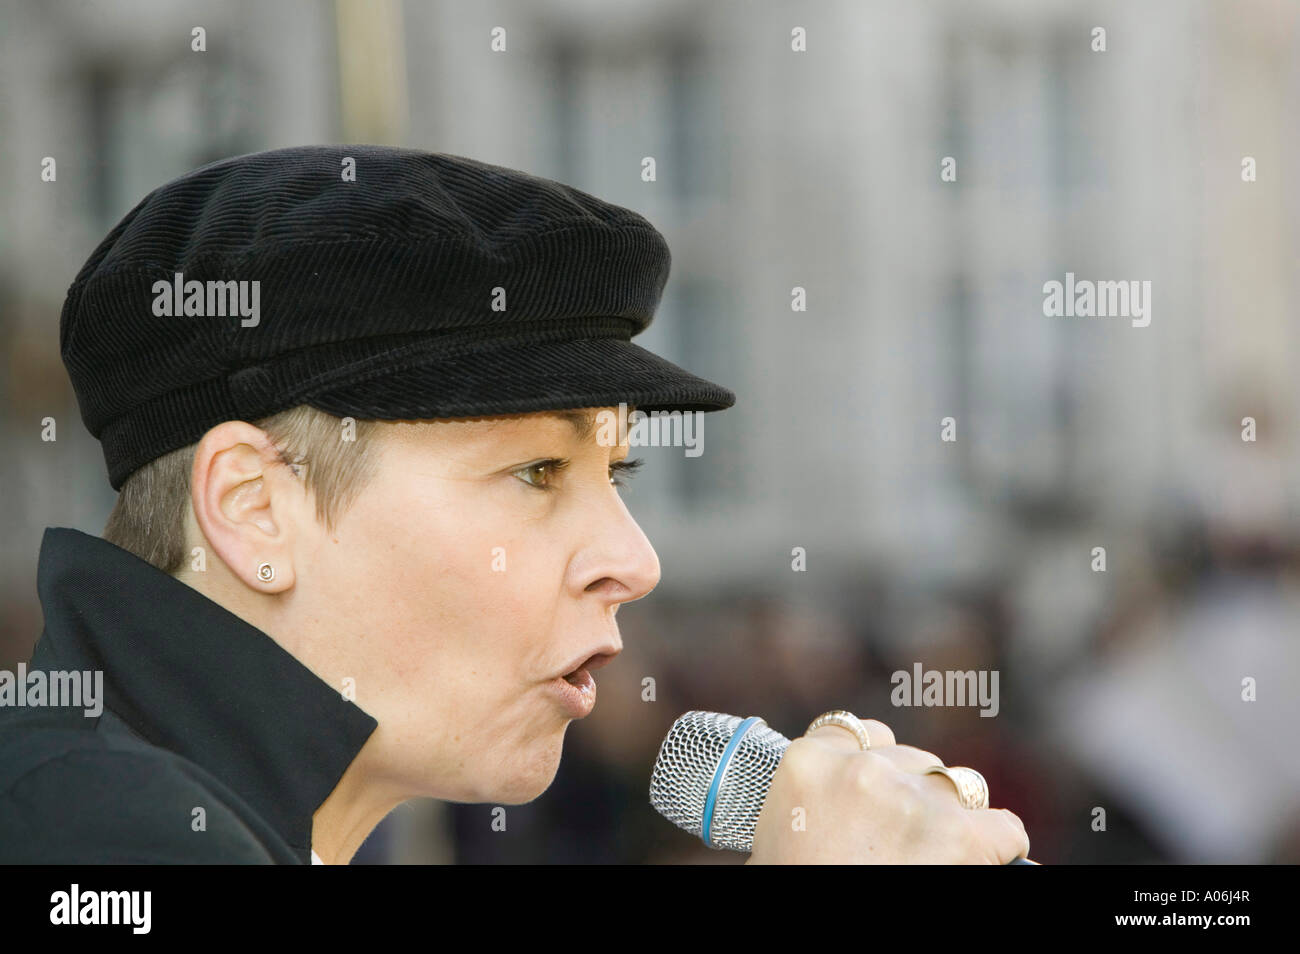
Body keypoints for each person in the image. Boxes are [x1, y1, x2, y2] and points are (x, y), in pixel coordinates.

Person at [0, 145, 1029, 864]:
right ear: (256, 509)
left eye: (614, 477)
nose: (635, 561)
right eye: (538, 472)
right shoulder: (98, 834)